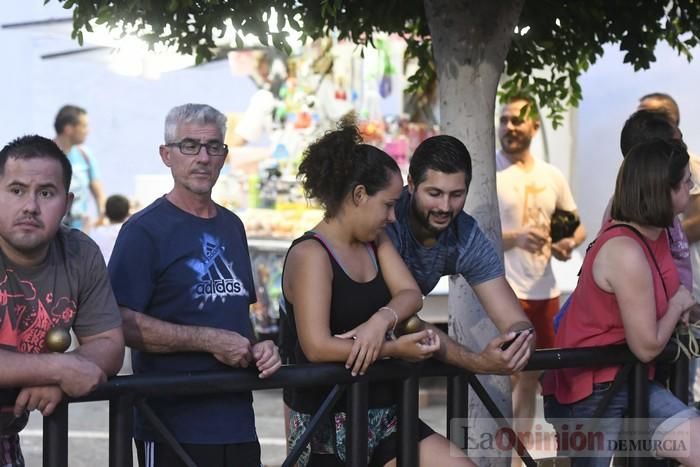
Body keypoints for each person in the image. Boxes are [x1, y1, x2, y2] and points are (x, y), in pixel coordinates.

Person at [282, 120, 473, 466]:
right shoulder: (311, 255)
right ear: (358, 196)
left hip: (386, 415)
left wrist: (380, 319)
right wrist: (391, 348)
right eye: (387, 205)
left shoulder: (377, 241)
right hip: (328, 428)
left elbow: (410, 294)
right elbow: (317, 345)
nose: (392, 216)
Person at [108, 104, 281, 467]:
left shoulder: (233, 226)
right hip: (170, 423)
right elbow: (116, 322)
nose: (203, 157)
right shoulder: (143, 231)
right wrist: (207, 341)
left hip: (237, 422)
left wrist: (260, 349)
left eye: (213, 146)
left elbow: (235, 315)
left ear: (224, 155)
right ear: (166, 155)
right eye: (190, 146)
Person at [543, 139, 700, 466]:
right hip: (590, 388)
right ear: (664, 190)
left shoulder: (657, 232)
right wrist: (677, 306)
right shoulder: (624, 249)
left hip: (629, 378)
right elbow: (646, 345)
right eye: (687, 182)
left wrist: (682, 307)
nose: (693, 188)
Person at [0, 135, 124, 466]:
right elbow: (67, 366)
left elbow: (108, 343)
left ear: (66, 203)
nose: (30, 206)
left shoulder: (80, 253)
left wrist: (62, 382)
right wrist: (59, 367)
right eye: (16, 190)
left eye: (46, 193)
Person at [385, 135, 535, 374]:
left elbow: (515, 320)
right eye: (434, 193)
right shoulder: (386, 218)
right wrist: (477, 362)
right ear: (411, 184)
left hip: (384, 359)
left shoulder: (466, 234)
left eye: (456, 195)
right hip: (335, 352)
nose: (445, 207)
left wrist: (516, 344)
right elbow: (403, 322)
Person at [495, 95, 587, 437]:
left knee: (534, 374)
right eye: (504, 120)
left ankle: (519, 453)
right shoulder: (488, 170)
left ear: (534, 126)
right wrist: (515, 238)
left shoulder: (552, 175)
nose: (509, 127)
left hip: (543, 291)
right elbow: (472, 231)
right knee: (510, 375)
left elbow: (577, 225)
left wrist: (568, 243)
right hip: (503, 290)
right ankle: (504, 456)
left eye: (517, 121)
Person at [53, 105, 106, 232]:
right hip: (53, 231)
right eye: (84, 126)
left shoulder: (85, 155)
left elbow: (99, 193)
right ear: (69, 129)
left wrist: (102, 217)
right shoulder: (45, 155)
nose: (88, 131)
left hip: (80, 231)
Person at [90, 194, 130, 263]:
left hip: (100, 270)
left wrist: (101, 217)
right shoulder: (128, 232)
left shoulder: (97, 232)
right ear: (127, 213)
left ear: (106, 213)